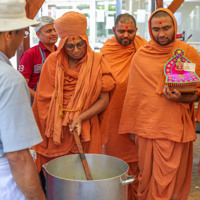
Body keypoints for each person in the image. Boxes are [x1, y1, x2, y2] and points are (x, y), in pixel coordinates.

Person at [119, 8, 200, 200]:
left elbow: (197, 93)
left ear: (175, 26)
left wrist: (180, 98)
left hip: (175, 129)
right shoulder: (141, 56)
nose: (161, 34)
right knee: (147, 178)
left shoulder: (187, 53)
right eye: (156, 29)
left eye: (166, 28)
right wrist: (132, 127)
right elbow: (134, 96)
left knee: (173, 181)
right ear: (149, 29)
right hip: (147, 130)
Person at [32, 11, 115, 180]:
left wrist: (80, 118)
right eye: (70, 46)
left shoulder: (97, 61)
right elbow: (43, 101)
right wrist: (59, 120)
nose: (76, 50)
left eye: (80, 45)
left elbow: (103, 99)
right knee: (59, 179)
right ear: (62, 45)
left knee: (86, 177)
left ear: (86, 41)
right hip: (57, 134)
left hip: (87, 129)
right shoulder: (52, 62)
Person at [0, 0, 46, 199]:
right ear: (9, 33)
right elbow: (18, 156)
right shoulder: (10, 79)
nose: (22, 38)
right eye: (23, 32)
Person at [100, 13, 147, 200]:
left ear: (136, 30)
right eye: (121, 31)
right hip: (114, 118)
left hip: (141, 116)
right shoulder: (106, 51)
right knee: (116, 163)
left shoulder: (145, 48)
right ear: (114, 30)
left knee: (141, 163)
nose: (126, 36)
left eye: (130, 32)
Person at [18, 16, 58, 101]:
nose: (54, 33)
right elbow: (22, 85)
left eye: (55, 30)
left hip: (57, 103)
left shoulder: (61, 53)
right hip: (36, 104)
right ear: (38, 34)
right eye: (49, 31)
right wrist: (40, 101)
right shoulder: (30, 54)